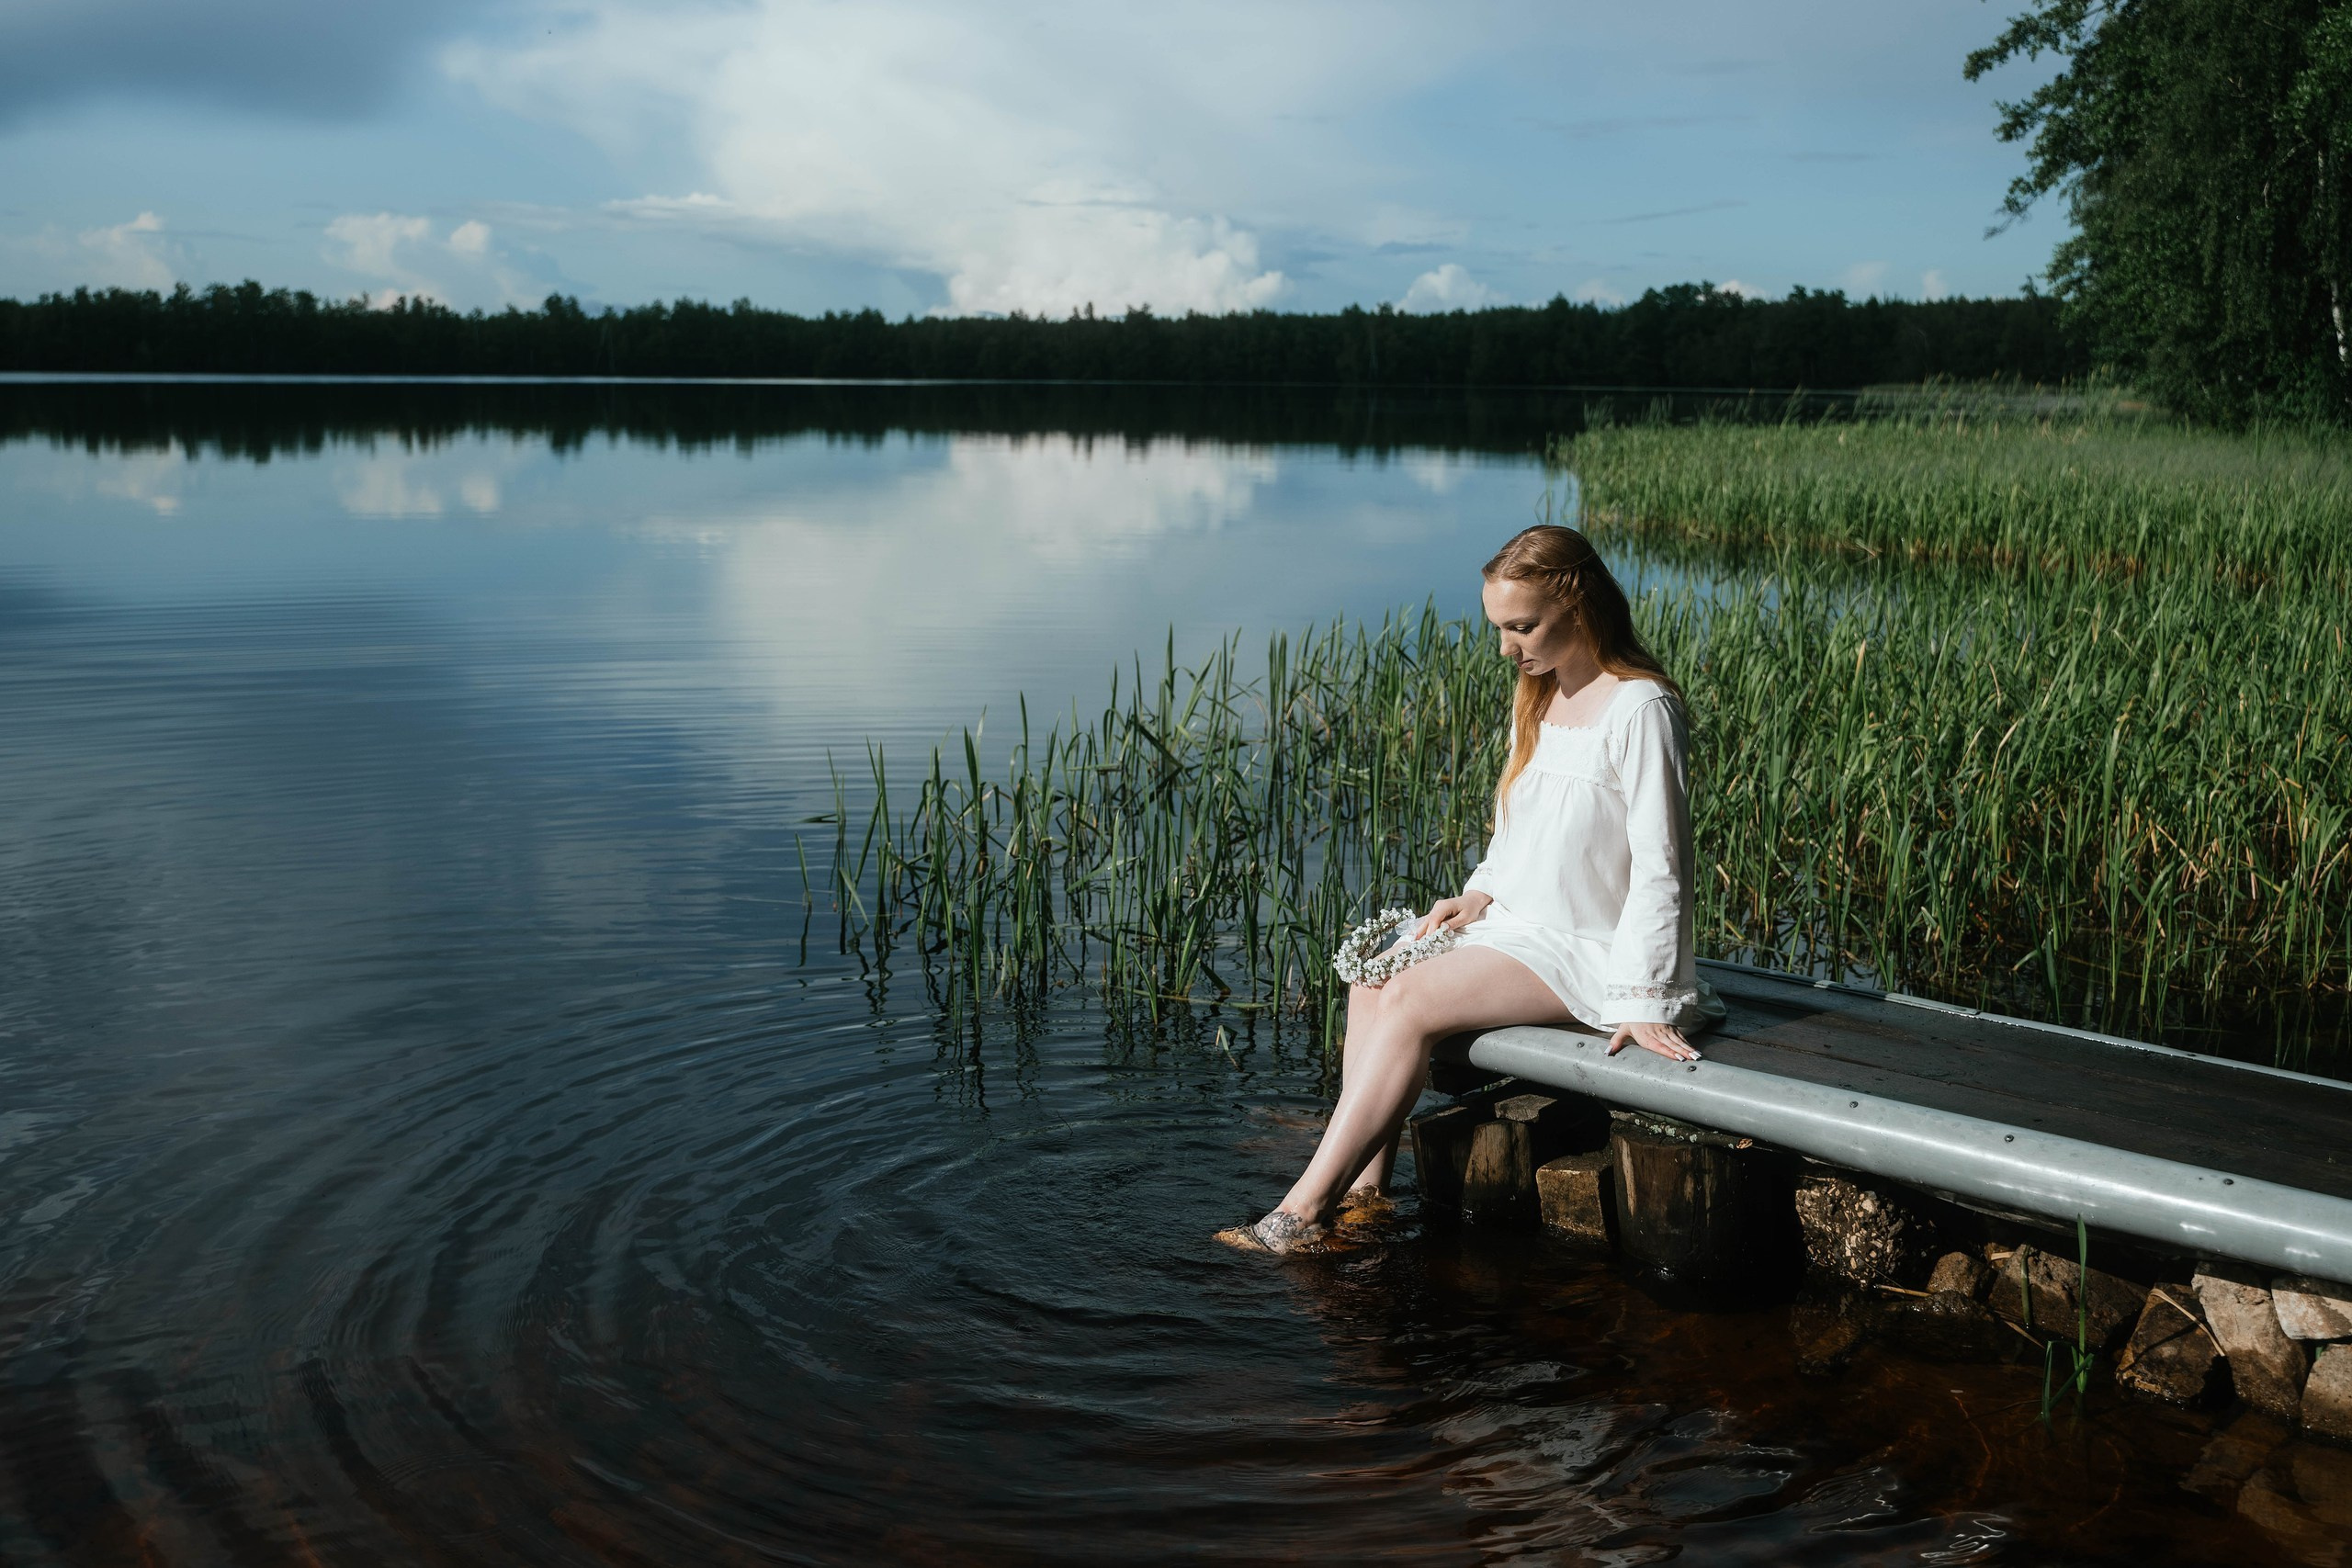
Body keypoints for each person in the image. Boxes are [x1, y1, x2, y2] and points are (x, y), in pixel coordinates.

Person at [1218, 524, 1725, 1255]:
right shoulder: (1546, 695)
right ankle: (1367, 1196)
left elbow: (1662, 862)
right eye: (1499, 628)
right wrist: (1481, 893)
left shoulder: (1640, 707)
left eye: (1522, 627)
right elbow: (1526, 828)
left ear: (1577, 604)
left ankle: (1300, 1213)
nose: (1506, 648)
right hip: (1517, 924)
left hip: (1584, 946)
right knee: (1373, 973)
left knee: (1414, 998)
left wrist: (1646, 1000)